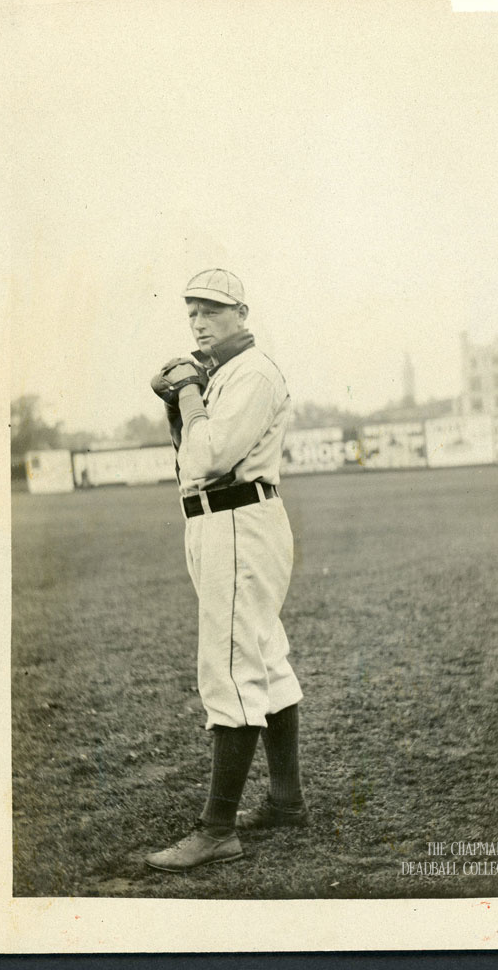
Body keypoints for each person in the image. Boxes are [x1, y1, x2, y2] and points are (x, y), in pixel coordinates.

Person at [144, 268, 307, 872]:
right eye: (191, 312)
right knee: (263, 658)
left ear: (241, 314)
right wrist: (180, 402)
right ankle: (287, 803)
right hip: (221, 524)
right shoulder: (223, 376)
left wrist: (188, 393)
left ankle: (217, 831)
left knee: (231, 667)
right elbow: (190, 459)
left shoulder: (253, 372)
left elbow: (209, 460)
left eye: (211, 311)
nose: (198, 321)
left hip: (239, 520)